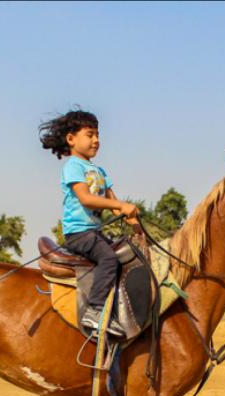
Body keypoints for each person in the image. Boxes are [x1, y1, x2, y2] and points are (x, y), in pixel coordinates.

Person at [39, 109, 138, 337]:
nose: (96, 140)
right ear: (71, 139)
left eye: (98, 135)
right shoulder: (74, 166)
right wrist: (121, 206)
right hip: (79, 233)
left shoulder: (100, 171)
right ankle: (94, 311)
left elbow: (113, 202)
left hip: (94, 233)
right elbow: (85, 198)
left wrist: (133, 222)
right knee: (108, 258)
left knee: (126, 256)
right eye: (90, 134)